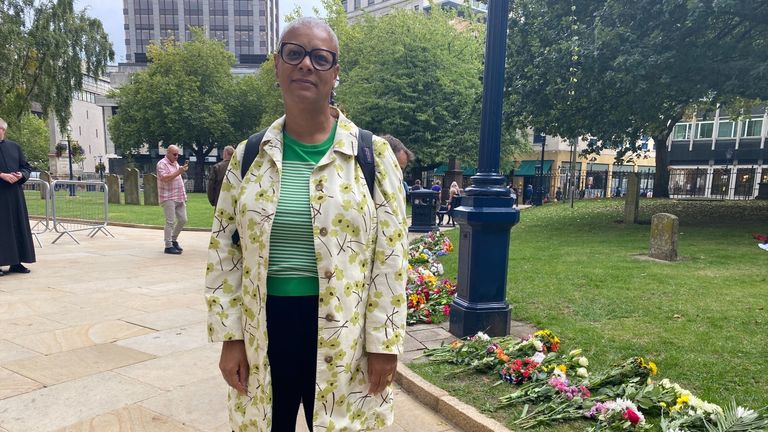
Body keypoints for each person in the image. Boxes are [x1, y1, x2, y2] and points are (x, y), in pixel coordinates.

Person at [204, 17, 409, 432]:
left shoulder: (372, 155)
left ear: (335, 73)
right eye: (294, 54)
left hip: (342, 329)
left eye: (320, 58)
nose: (306, 66)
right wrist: (231, 338)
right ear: (277, 65)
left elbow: (391, 256)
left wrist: (384, 344)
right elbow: (225, 250)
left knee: (339, 424)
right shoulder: (250, 156)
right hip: (266, 325)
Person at [0, 118, 36, 276]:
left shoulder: (14, 147)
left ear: (3, 130)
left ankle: (16, 262)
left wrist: (21, 174)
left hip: (14, 195)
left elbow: (26, 167)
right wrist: (1, 175)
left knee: (16, 226)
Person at [156, 144, 188, 255]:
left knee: (183, 220)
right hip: (168, 196)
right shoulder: (162, 164)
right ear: (168, 153)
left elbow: (177, 178)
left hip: (179, 196)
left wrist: (181, 170)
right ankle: (168, 245)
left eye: (178, 154)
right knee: (170, 222)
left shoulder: (175, 163)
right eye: (174, 154)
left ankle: (173, 239)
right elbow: (165, 178)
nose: (177, 156)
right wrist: (179, 172)